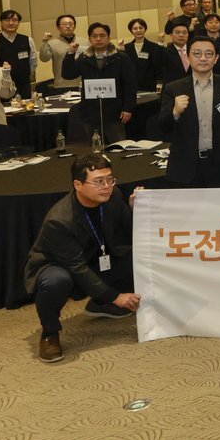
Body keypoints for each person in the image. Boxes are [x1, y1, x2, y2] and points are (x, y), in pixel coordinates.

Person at [24, 153, 142, 363]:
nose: (106, 186)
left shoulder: (113, 195)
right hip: (60, 266)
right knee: (56, 281)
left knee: (137, 255)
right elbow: (77, 268)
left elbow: (132, 232)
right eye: (98, 182)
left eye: (110, 180)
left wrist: (136, 209)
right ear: (78, 185)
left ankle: (100, 303)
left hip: (95, 259)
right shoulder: (59, 220)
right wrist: (117, 297)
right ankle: (50, 334)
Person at [159, 35, 220, 187]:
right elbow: (163, 126)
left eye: (209, 54)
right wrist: (175, 112)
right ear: (188, 57)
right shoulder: (173, 88)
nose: (203, 58)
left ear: (216, 58)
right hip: (186, 166)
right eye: (197, 53)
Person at [61, 23, 137, 143]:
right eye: (94, 36)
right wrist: (70, 54)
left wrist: (128, 108)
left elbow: (130, 85)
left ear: (108, 37)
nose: (98, 39)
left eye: (102, 35)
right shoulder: (84, 58)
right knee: (94, 147)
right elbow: (68, 74)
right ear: (89, 39)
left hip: (115, 112)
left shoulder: (121, 58)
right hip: (91, 113)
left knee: (117, 146)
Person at [0, 9, 36, 99]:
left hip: (24, 85)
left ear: (19, 22)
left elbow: (33, 61)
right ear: (1, 22)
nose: (11, 23)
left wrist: (26, 75)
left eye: (14, 20)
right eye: (7, 20)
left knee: (26, 107)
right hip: (2, 86)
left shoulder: (27, 39)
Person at [39, 14, 88, 91]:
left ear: (75, 26)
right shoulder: (52, 43)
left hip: (82, 84)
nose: (68, 26)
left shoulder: (85, 42)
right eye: (64, 24)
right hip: (61, 85)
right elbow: (44, 59)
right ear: (58, 27)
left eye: (70, 24)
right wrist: (45, 41)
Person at [121, 18, 165, 92]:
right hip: (131, 86)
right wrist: (120, 51)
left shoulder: (154, 47)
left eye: (141, 28)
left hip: (150, 85)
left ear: (145, 29)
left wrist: (159, 82)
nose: (138, 30)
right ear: (131, 31)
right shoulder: (126, 48)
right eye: (135, 28)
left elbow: (159, 66)